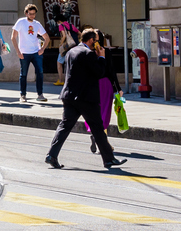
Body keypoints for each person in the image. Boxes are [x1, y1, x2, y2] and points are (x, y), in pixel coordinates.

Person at [46, 28, 126, 170]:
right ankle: (109, 159)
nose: (97, 43)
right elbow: (100, 73)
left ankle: (52, 155)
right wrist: (101, 57)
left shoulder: (72, 51)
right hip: (86, 98)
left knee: (64, 126)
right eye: (96, 40)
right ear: (90, 41)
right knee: (98, 128)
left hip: (70, 96)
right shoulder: (89, 53)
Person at [10, 4, 49, 102]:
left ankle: (40, 94)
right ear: (26, 13)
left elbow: (47, 38)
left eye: (34, 14)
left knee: (39, 73)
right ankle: (23, 95)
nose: (32, 16)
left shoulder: (37, 24)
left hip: (36, 52)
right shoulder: (21, 22)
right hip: (24, 52)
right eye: (30, 14)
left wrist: (42, 49)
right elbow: (13, 37)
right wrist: (18, 51)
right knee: (23, 74)